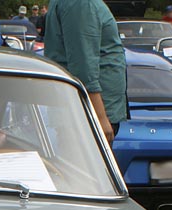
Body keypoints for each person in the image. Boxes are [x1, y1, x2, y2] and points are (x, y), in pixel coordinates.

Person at [44, 0, 125, 142]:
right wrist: (99, 118)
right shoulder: (82, 3)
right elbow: (82, 66)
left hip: (83, 113)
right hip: (86, 115)